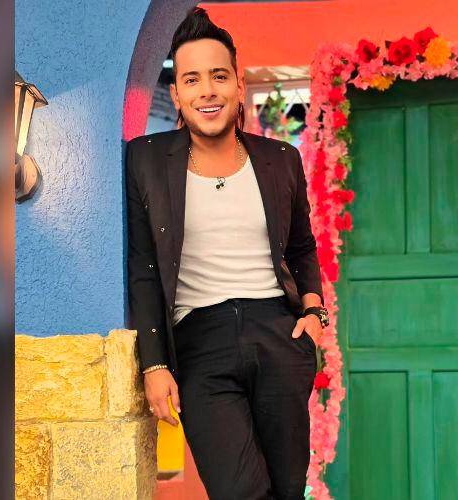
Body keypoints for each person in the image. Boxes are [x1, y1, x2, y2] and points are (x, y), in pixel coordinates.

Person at [124, 8, 329, 500]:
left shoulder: (280, 159)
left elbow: (302, 245)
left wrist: (313, 312)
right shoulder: (147, 158)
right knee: (239, 491)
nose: (207, 91)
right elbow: (144, 267)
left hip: (278, 336)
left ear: (239, 84)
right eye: (192, 79)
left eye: (218, 76)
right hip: (199, 344)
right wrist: (154, 364)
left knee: (287, 489)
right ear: (177, 95)